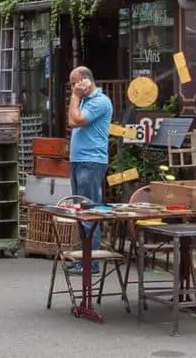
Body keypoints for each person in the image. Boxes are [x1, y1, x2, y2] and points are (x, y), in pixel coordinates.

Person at [65, 66, 113, 275]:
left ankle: (91, 262)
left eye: (75, 83)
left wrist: (75, 97)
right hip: (78, 160)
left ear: (85, 81)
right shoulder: (84, 100)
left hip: (91, 161)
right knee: (81, 212)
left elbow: (76, 120)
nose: (73, 87)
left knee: (89, 211)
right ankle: (84, 258)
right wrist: (76, 98)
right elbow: (71, 121)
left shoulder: (99, 102)